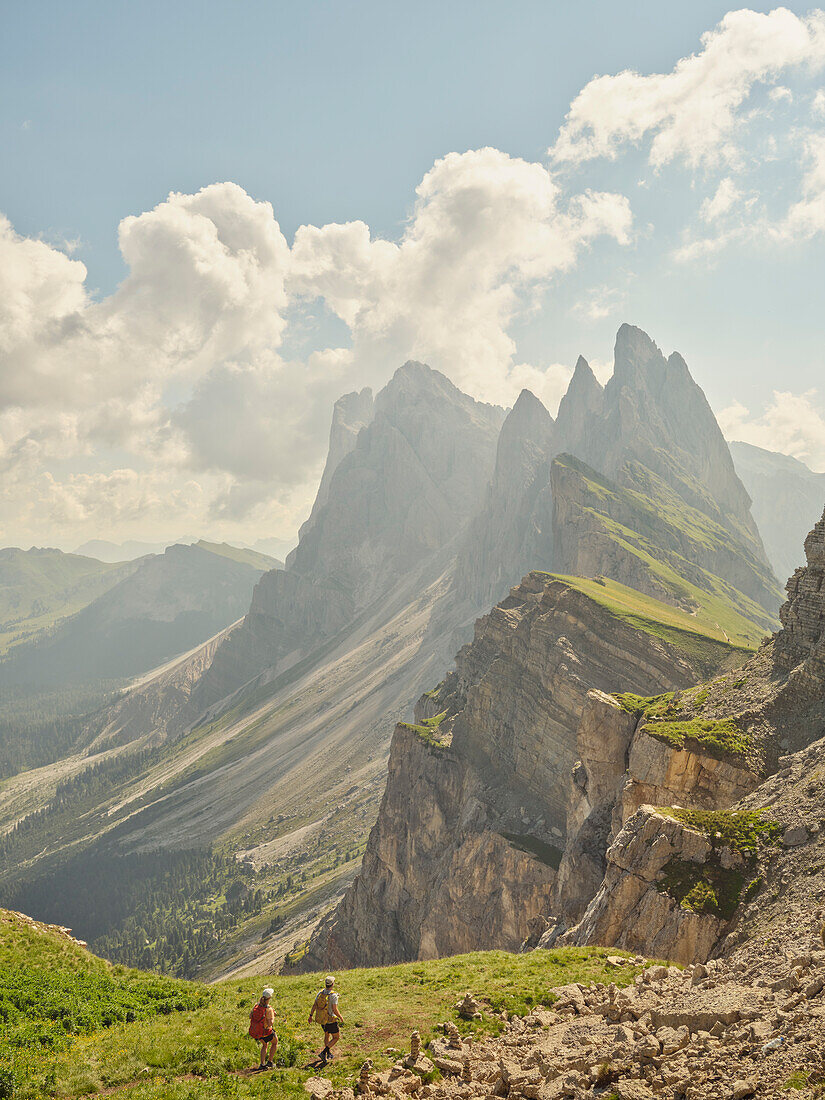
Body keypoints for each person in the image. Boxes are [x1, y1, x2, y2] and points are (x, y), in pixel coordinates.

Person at [308, 974, 344, 1064]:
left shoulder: (320, 993)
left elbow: (314, 1005)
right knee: (336, 1037)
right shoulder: (333, 995)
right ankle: (324, 1052)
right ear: (332, 984)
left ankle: (328, 1053)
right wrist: (340, 1017)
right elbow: (335, 1010)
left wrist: (310, 1016)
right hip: (331, 1020)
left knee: (327, 1034)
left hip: (322, 1019)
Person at [248, 986, 278, 1070]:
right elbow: (270, 1023)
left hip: (256, 1031)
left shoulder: (256, 1005)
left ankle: (262, 1064)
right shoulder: (269, 1009)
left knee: (265, 1045)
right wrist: (272, 1016)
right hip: (266, 1032)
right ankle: (270, 1062)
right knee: (275, 1042)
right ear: (270, 997)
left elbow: (250, 1016)